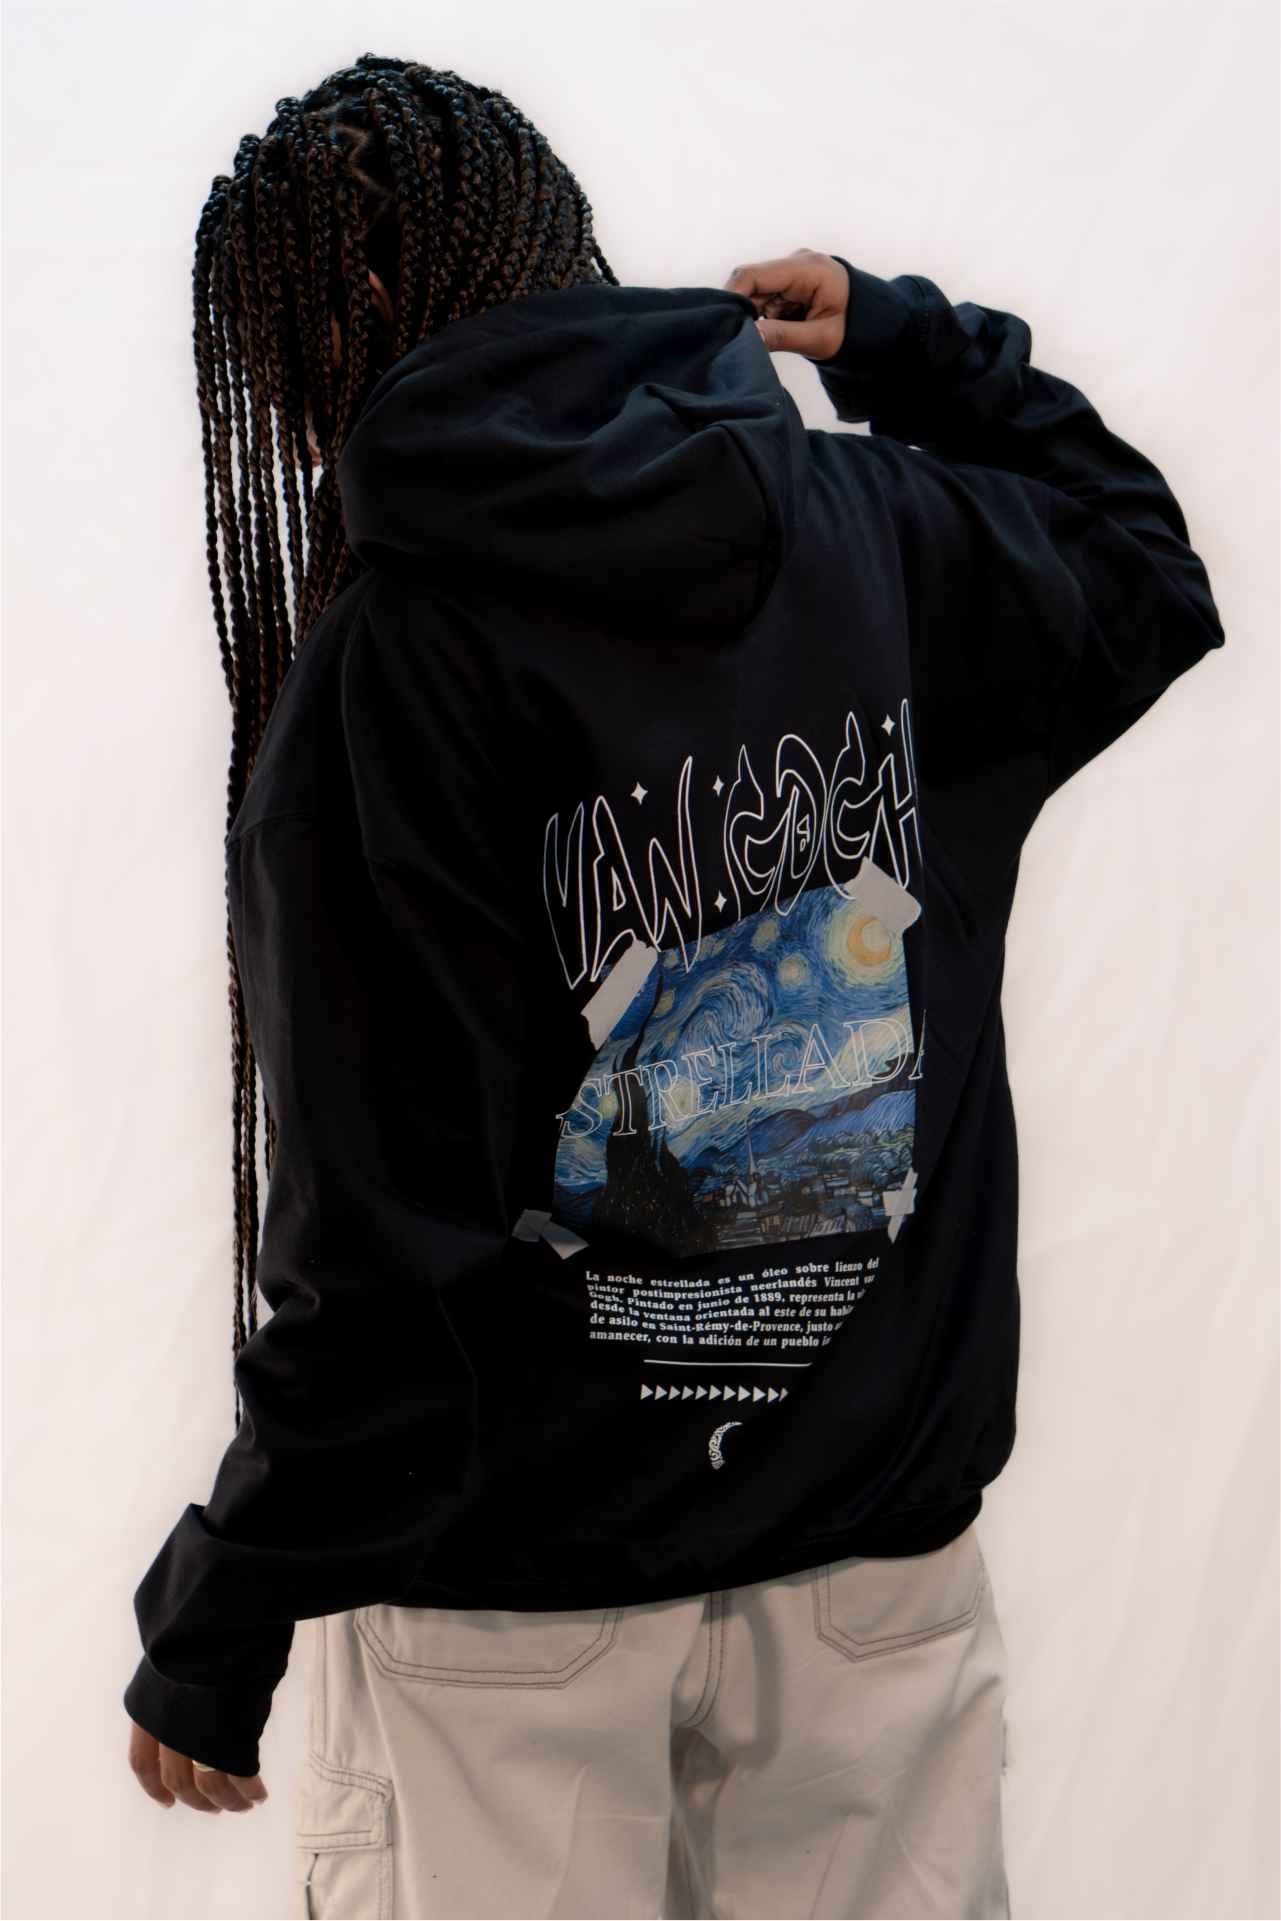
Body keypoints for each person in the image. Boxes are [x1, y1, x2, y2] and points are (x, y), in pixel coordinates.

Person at [121, 50, 1225, 1921]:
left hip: (517, 1611)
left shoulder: (384, 670)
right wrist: (914, 348)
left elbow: (374, 1238)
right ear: (547, 241)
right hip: (867, 1572)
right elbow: (1137, 563)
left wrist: (223, 1604)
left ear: (319, 341)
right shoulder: (869, 527)